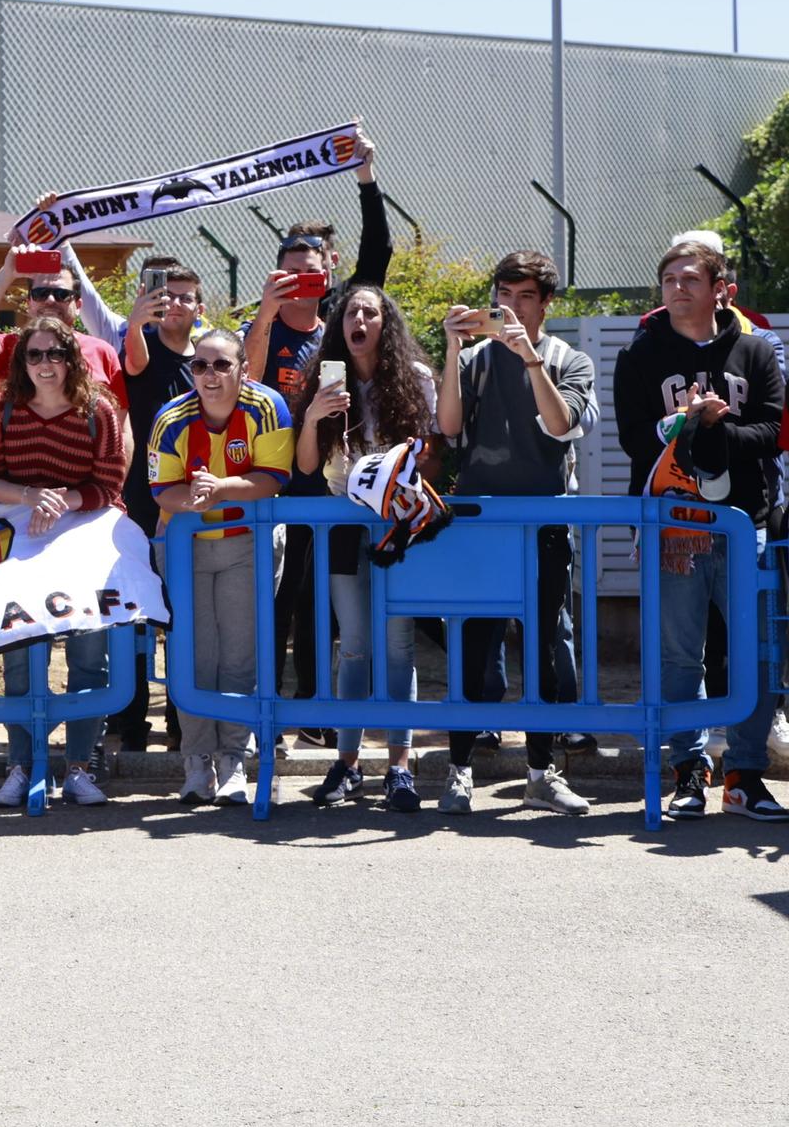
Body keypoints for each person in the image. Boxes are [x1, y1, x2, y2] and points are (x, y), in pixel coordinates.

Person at [613, 238, 787, 821]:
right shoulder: (641, 355)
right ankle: (689, 770)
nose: (677, 288)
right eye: (668, 279)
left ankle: (745, 774)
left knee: (756, 655)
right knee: (677, 657)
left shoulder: (756, 350)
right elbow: (634, 440)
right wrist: (682, 422)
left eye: (691, 278)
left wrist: (716, 430)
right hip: (673, 525)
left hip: (746, 526)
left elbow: (771, 431)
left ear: (720, 290)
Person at [436, 251, 598, 815]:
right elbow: (449, 427)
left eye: (525, 296)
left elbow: (561, 427)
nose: (512, 307)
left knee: (545, 647)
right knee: (474, 646)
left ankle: (541, 771)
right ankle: (458, 770)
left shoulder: (569, 359)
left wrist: (531, 363)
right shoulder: (477, 359)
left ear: (546, 302)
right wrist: (454, 350)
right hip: (482, 520)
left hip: (547, 518)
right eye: (504, 295)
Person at [239, 131, 388, 747]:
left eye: (313, 271)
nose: (304, 280)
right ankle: (268, 712)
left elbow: (378, 254)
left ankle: (314, 711)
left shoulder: (343, 323)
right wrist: (266, 315)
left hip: (330, 481)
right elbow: (241, 381)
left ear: (329, 273)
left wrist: (367, 177)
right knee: (276, 598)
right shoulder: (263, 323)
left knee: (320, 602)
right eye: (291, 273)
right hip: (275, 481)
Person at [292, 285, 440, 813]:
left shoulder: (416, 381)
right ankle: (349, 763)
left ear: (386, 325)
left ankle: (399, 767)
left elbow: (434, 456)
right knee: (353, 645)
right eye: (350, 312)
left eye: (370, 312)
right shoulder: (323, 379)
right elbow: (307, 467)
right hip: (343, 526)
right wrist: (313, 416)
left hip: (398, 526)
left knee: (399, 646)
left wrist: (401, 473)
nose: (358, 319)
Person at [0, 317, 127, 807]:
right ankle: (22, 765)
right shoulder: (4, 408)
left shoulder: (99, 409)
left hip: (84, 543)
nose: (44, 365)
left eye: (54, 354)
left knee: (87, 657)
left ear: (71, 358)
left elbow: (110, 484)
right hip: (20, 542)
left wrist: (60, 501)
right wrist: (30, 495)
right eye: (34, 355)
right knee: (17, 656)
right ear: (21, 362)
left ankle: (79, 767)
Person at [148, 329, 293, 807]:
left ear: (242, 369)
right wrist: (191, 498)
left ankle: (234, 759)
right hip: (185, 546)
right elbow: (159, 490)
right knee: (192, 655)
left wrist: (222, 487)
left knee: (238, 656)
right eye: (200, 366)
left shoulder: (267, 406)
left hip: (247, 544)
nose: (209, 375)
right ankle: (196, 761)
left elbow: (273, 479)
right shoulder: (171, 417)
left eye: (221, 365)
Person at [114, 261, 203, 751]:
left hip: (192, 505)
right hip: (140, 503)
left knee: (181, 618)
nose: (176, 304)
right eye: (166, 295)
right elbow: (131, 362)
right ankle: (128, 722)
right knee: (134, 614)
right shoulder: (142, 348)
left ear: (200, 307)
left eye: (186, 296)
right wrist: (135, 321)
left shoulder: (209, 359)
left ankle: (180, 720)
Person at [0, 244, 132, 421]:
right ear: (29, 303)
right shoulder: (10, 347)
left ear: (78, 306)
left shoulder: (103, 351)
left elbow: (121, 426)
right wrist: (6, 274)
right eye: (41, 293)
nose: (50, 300)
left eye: (62, 294)